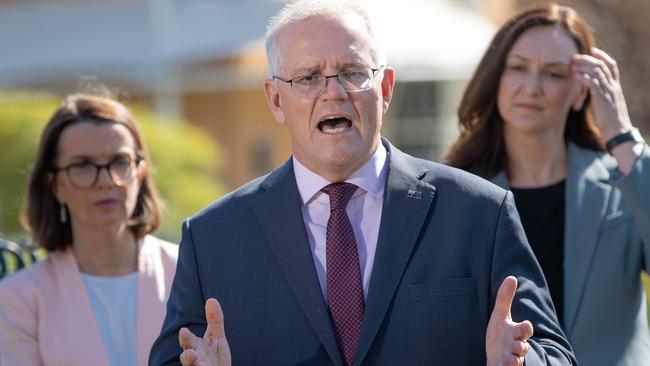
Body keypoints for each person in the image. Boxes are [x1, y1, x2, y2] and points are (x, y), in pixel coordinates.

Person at [149, 1, 576, 365]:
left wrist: (524, 362)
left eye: (353, 72)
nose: (333, 93)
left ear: (385, 88)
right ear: (276, 99)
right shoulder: (212, 239)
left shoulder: (479, 213)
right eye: (308, 77)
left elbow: (553, 352)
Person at [445, 3, 649, 365]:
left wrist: (620, 134)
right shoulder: (459, 193)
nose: (532, 86)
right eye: (519, 68)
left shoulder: (624, 181)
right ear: (497, 79)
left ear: (580, 92)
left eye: (554, 74)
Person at [0, 94, 178, 366]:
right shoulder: (18, 300)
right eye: (82, 166)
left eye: (120, 162)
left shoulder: (190, 273)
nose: (106, 181)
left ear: (140, 172)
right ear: (54, 185)